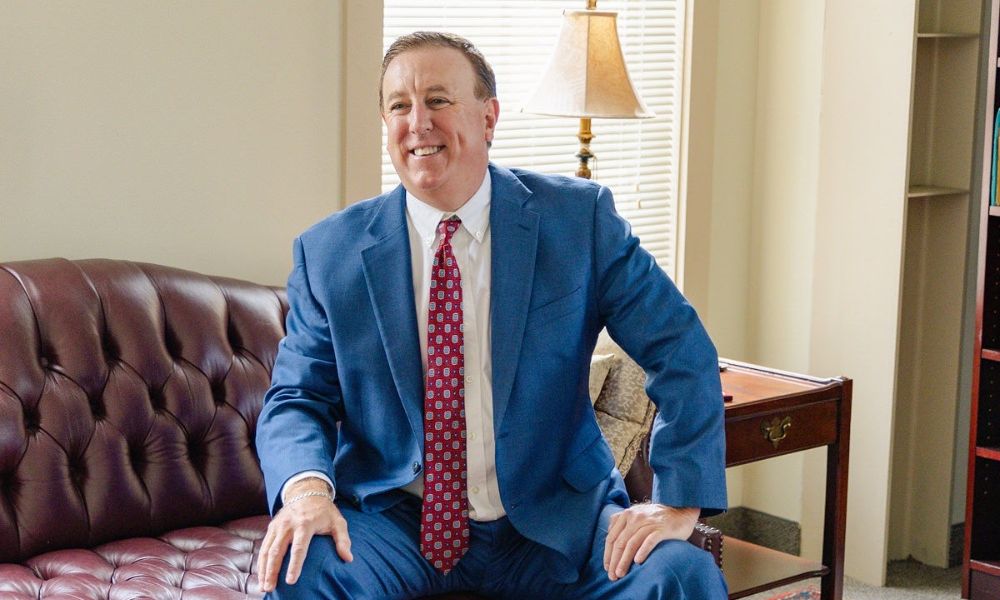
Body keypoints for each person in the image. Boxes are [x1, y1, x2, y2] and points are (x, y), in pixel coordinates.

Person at [255, 31, 728, 599]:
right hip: (399, 523)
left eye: (438, 99)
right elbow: (296, 397)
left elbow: (681, 348)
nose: (418, 123)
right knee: (297, 567)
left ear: (488, 116)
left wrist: (678, 501)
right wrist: (308, 493)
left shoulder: (578, 221)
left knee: (680, 574)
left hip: (556, 521)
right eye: (399, 106)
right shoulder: (330, 253)